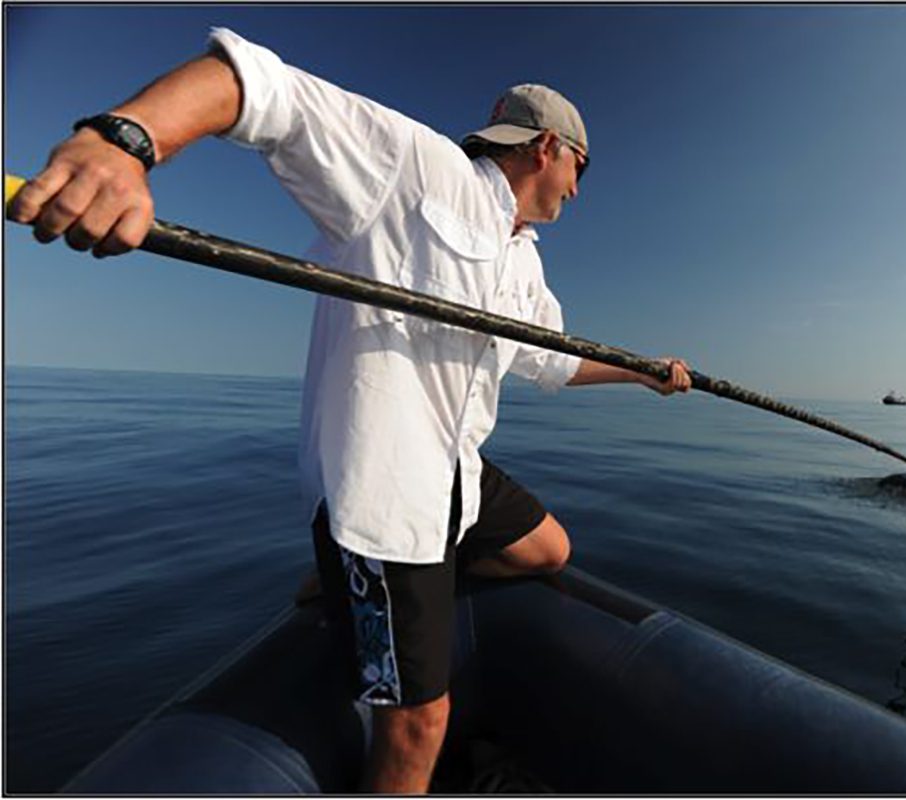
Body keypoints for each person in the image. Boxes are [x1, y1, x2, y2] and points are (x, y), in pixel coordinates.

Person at [7, 28, 692, 793]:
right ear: (547, 147)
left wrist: (644, 375)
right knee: (419, 724)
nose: (579, 185)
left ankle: (337, 581)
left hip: (454, 479)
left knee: (549, 550)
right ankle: (347, 571)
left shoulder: (525, 258)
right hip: (387, 493)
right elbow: (257, 87)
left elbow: (552, 359)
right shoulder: (420, 170)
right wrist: (123, 143)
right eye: (582, 167)